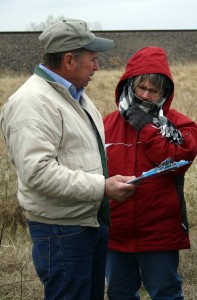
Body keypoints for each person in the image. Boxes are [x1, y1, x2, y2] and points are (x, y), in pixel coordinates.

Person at [0, 19, 136, 300]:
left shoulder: (74, 96)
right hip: (61, 231)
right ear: (70, 60)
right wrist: (103, 188)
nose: (97, 67)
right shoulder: (32, 103)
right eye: (93, 60)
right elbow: (37, 173)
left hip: (86, 223)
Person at [104, 46, 197, 300]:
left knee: (166, 293)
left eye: (153, 90)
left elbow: (179, 159)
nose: (145, 95)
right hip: (117, 233)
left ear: (165, 93)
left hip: (159, 232)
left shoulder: (181, 125)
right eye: (140, 87)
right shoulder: (106, 125)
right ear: (129, 84)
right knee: (119, 294)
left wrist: (146, 128)